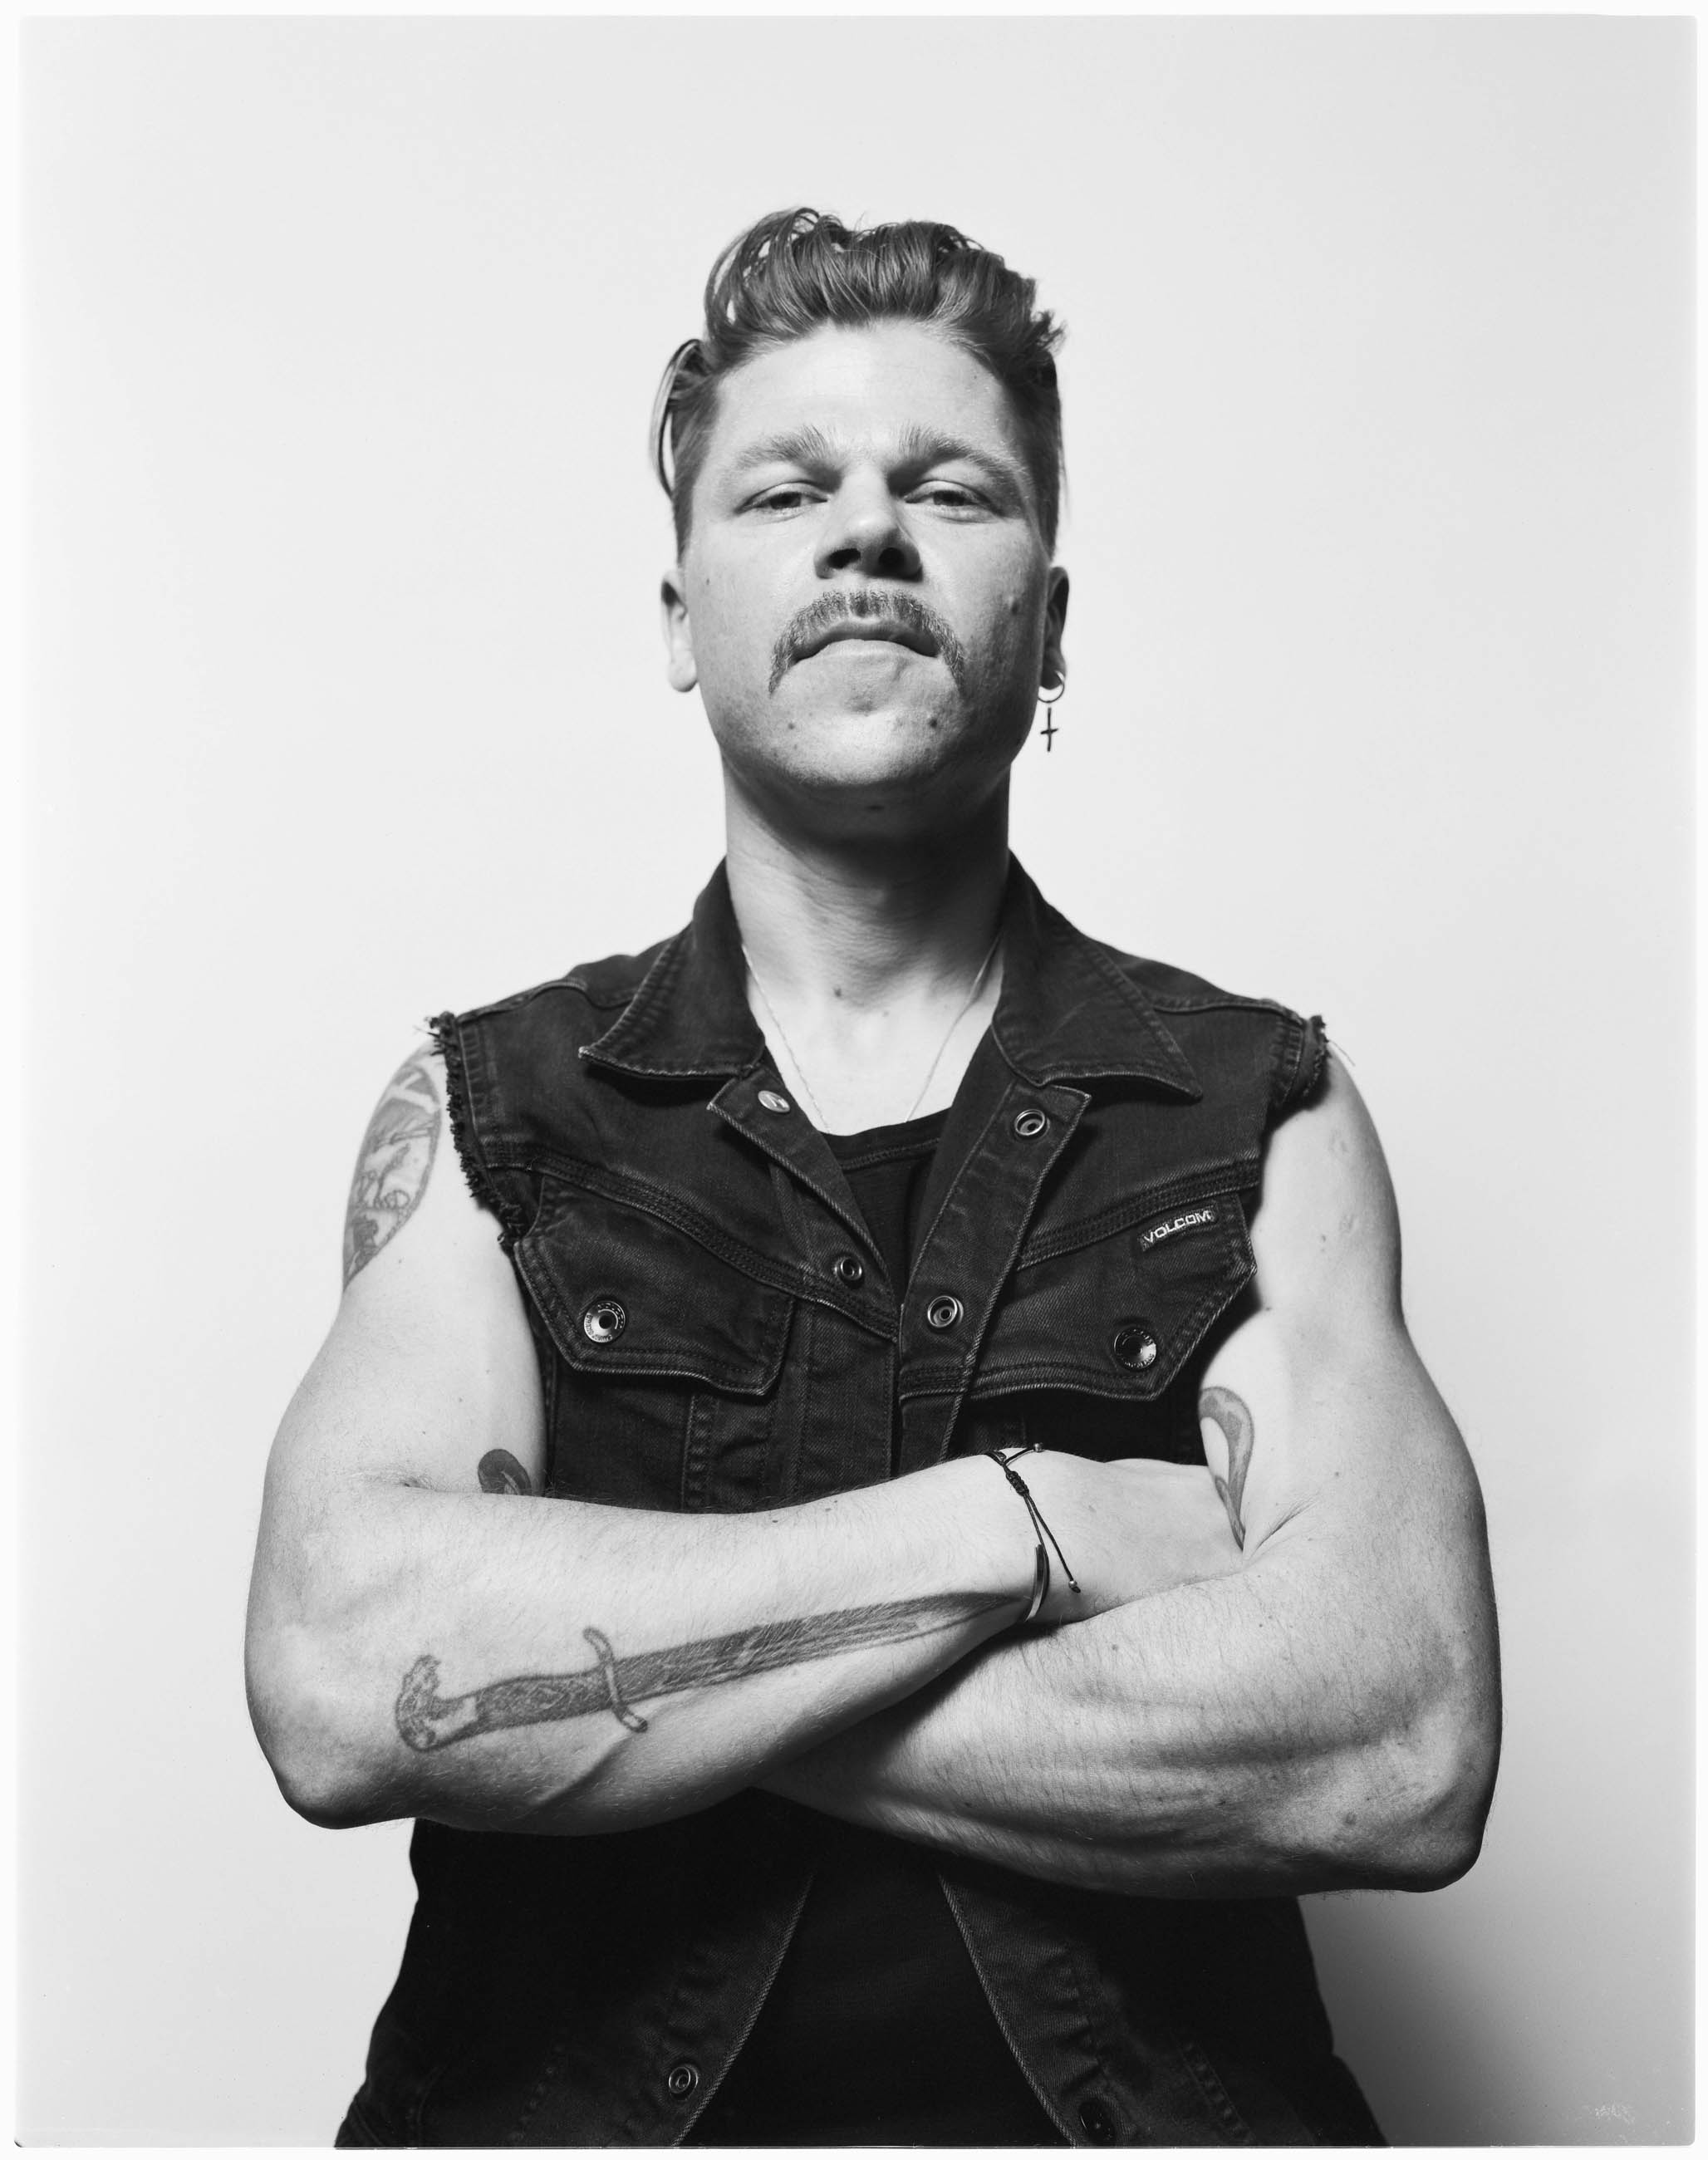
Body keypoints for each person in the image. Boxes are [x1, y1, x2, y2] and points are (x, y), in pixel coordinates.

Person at [245, 207, 1500, 2149]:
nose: (865, 536)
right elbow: (343, 1671)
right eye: (784, 489)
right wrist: (1025, 1522)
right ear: (680, 616)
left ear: (1049, 623)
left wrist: (628, 1688)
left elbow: (1398, 1735)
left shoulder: (1257, 1113)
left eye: (947, 488)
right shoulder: (491, 1115)